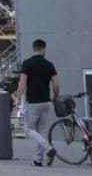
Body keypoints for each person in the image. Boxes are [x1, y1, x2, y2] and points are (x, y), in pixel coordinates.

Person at [13, 38, 60, 167]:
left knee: (28, 130)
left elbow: (22, 84)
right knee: (41, 131)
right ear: (43, 49)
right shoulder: (49, 65)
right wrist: (55, 97)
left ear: (34, 48)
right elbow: (56, 85)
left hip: (33, 102)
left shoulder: (27, 64)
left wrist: (17, 98)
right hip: (46, 102)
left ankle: (49, 148)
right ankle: (38, 160)